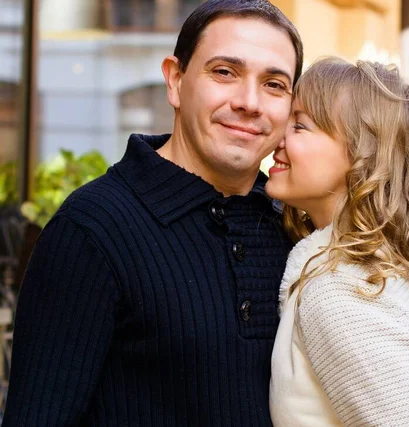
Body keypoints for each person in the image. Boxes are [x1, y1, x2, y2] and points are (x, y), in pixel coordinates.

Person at [3, 1, 302, 426]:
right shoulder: (91, 230)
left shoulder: (292, 226)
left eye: (274, 84)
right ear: (175, 81)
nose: (250, 102)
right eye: (224, 72)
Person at [267, 57, 409, 426]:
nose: (277, 136)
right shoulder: (387, 267)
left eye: (299, 126)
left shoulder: (343, 292)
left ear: (363, 155)